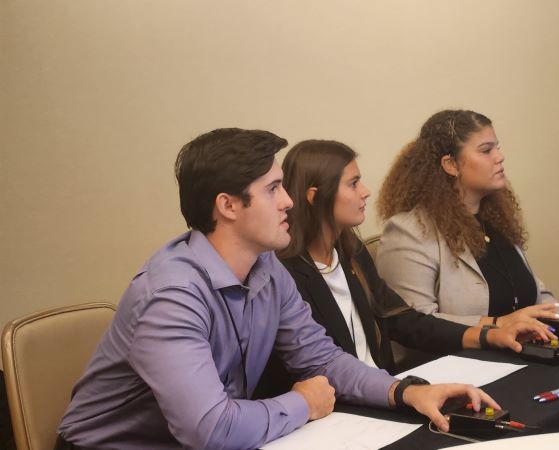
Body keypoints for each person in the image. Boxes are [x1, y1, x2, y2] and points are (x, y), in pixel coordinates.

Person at [56, 128, 499, 450]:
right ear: (228, 206)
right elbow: (210, 430)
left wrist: (404, 392)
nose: (288, 201)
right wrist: (302, 403)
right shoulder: (172, 295)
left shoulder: (266, 266)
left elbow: (321, 359)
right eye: (272, 190)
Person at [273, 139, 555, 378]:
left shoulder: (352, 253)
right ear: (315, 196)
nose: (365, 192)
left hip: (382, 392)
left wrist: (490, 333)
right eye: (354, 183)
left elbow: (405, 322)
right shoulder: (286, 272)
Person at [376, 110, 559, 327]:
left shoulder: (496, 219)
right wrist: (499, 326)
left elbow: (537, 295)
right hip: (458, 358)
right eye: (486, 150)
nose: (499, 156)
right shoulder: (409, 232)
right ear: (451, 165)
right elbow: (416, 324)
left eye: (497, 148)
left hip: (523, 352)